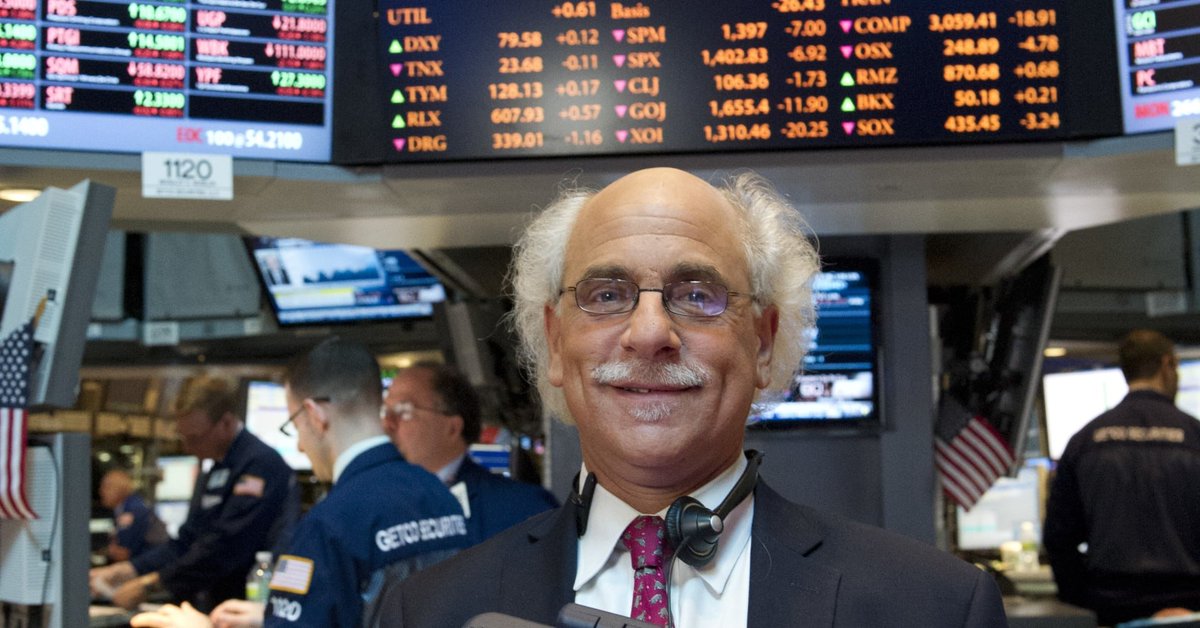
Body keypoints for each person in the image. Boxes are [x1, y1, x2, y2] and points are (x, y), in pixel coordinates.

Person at [376, 167, 1007, 627]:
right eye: (606, 295)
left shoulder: (935, 607)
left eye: (698, 295)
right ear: (556, 343)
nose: (650, 333)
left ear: (763, 342)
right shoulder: (429, 612)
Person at [132, 338, 471, 628]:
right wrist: (267, 615)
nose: (299, 446)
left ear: (315, 415)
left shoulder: (327, 525)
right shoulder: (442, 498)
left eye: (295, 425)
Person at [90, 380, 299, 612]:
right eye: (183, 438)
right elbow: (188, 540)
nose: (188, 447)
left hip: (250, 604)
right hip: (215, 602)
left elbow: (227, 545)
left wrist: (152, 584)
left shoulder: (259, 464)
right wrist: (129, 569)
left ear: (226, 422)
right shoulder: (214, 467)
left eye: (196, 437)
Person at [1044, 329, 1200, 625]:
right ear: (1167, 364)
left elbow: (1058, 539)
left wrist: (1085, 605)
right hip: (1190, 607)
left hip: (1111, 606)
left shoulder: (1085, 442)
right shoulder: (1195, 437)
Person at [382, 362, 558, 544]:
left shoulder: (523, 509)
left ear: (452, 428)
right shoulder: (377, 507)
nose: (387, 424)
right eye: (385, 411)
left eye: (404, 410)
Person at [99, 468, 169, 562]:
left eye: (107, 487)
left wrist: (106, 551)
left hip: (152, 566)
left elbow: (122, 554)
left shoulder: (132, 511)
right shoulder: (128, 506)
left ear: (120, 489)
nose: (101, 491)